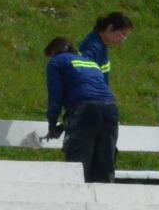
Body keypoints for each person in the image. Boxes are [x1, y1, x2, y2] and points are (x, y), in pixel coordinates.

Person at [44, 33, 118, 184]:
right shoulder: (90, 63)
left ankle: (77, 199)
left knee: (78, 166)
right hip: (110, 109)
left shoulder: (57, 62)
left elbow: (55, 98)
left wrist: (52, 124)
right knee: (104, 162)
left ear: (54, 52)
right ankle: (103, 203)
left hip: (84, 109)